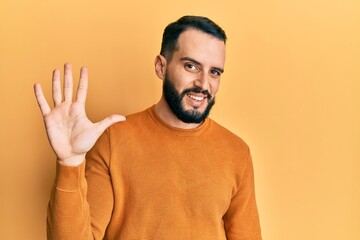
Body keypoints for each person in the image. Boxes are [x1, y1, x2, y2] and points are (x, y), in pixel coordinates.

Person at [34, 16, 262, 240]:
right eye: (191, 66)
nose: (204, 84)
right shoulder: (113, 139)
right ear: (161, 66)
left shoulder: (236, 152)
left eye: (214, 72)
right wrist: (70, 163)